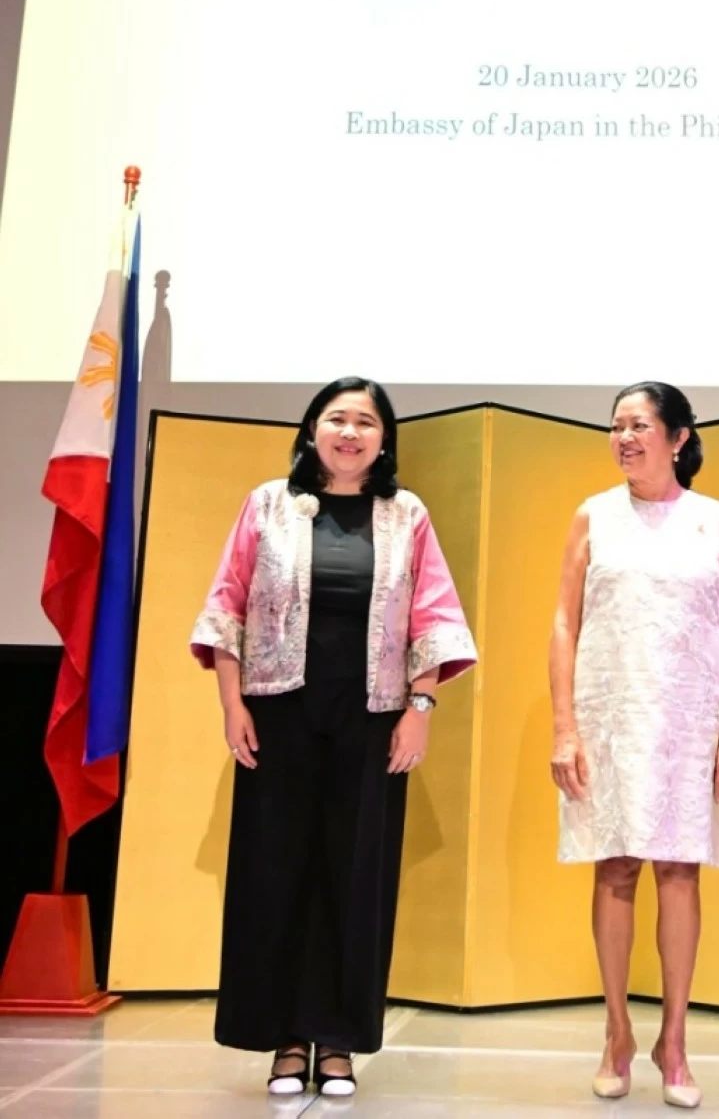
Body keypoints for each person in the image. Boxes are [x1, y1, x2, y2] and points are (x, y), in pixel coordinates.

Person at [190, 376, 477, 1097]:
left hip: (372, 716)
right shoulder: (268, 504)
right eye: (337, 418)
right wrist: (232, 703)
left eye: (366, 422)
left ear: (384, 440)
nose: (350, 433)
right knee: (274, 874)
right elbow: (227, 606)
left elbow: (434, 617)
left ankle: (339, 1041)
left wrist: (420, 708)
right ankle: (285, 1040)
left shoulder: (404, 512)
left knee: (356, 878)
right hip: (278, 712)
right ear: (312, 429)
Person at [550, 381, 719, 1110]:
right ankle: (615, 1034)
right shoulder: (593, 517)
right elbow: (565, 623)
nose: (626, 438)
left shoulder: (712, 520)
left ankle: (674, 1040)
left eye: (640, 426)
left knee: (679, 870)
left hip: (690, 718)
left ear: (679, 437)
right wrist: (564, 725)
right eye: (617, 427)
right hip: (612, 713)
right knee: (614, 866)